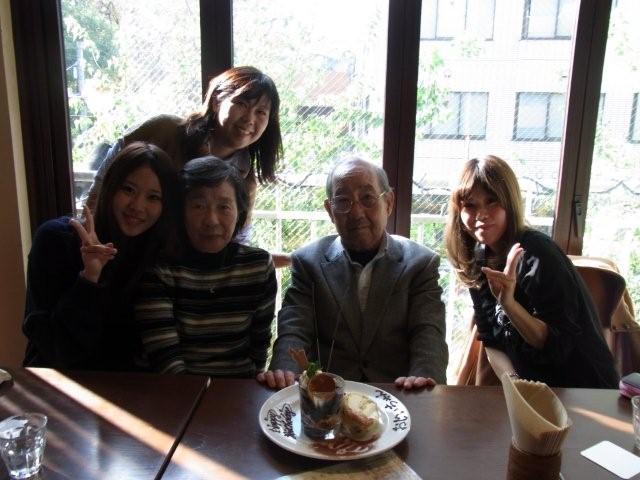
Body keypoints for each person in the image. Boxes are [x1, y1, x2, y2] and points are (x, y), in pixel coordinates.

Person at [258, 156, 448, 389]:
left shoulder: (420, 263)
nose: (356, 212)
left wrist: (423, 379)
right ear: (330, 210)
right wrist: (285, 372)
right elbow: (294, 329)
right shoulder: (308, 262)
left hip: (397, 393)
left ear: (388, 202)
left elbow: (428, 334)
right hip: (328, 394)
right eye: (342, 201)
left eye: (367, 198)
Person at [85, 65, 290, 266]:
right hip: (111, 249)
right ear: (217, 101)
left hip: (170, 268)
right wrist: (89, 229)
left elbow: (235, 240)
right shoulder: (165, 130)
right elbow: (106, 178)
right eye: (242, 104)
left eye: (261, 112)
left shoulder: (246, 178)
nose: (249, 119)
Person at [445, 155, 618, 388]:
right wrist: (514, 384)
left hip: (583, 389)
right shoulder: (478, 257)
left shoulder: (537, 252)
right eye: (470, 205)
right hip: (534, 390)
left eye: (492, 201)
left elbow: (557, 347)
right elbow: (491, 340)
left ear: (510, 202)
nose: (481, 214)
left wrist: (509, 304)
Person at [23, 142, 179, 370]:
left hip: (125, 385)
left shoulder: (156, 255)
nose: (138, 206)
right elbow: (54, 349)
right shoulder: (56, 240)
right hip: (55, 380)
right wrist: (89, 277)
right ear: (110, 187)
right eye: (128, 190)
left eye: (153, 197)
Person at [136, 156, 277, 377]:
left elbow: (258, 350)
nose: (211, 220)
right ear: (180, 212)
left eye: (224, 207)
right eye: (198, 206)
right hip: (176, 390)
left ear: (240, 212)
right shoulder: (160, 268)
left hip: (239, 387)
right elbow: (166, 362)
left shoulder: (258, 266)